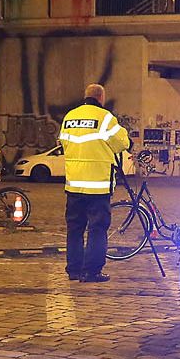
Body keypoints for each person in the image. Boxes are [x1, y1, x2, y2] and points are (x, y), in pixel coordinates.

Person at [58, 83, 131, 283]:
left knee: (74, 228)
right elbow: (122, 143)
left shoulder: (70, 117)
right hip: (98, 185)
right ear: (101, 98)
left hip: (74, 184)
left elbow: (64, 143)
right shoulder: (105, 118)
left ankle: (73, 269)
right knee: (97, 229)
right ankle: (91, 271)